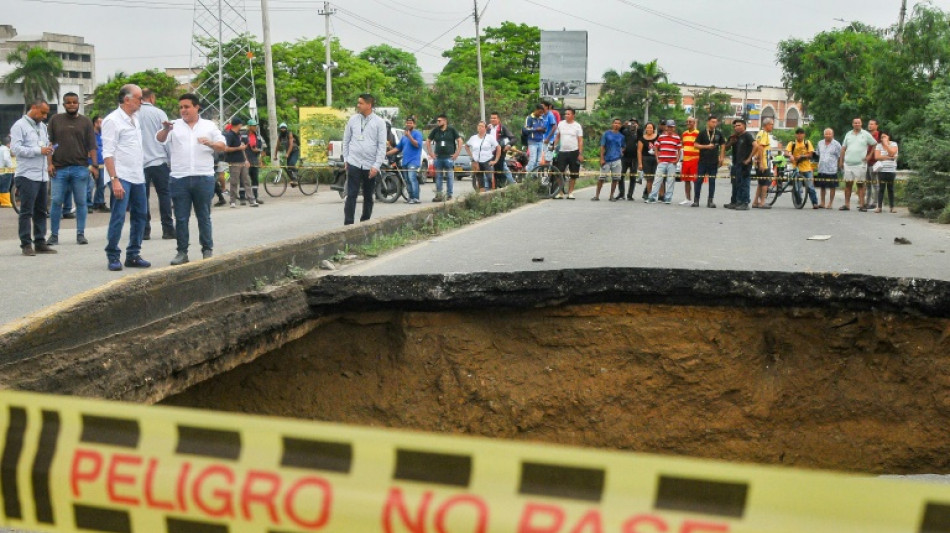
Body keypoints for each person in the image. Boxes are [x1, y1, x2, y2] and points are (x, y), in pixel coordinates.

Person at [156, 93, 226, 265]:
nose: (183, 110)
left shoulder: (209, 126)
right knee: (180, 217)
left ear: (196, 107)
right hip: (180, 178)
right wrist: (166, 129)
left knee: (203, 216)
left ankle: (207, 250)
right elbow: (159, 139)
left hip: (203, 177)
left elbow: (222, 145)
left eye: (187, 107)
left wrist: (209, 143)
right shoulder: (173, 126)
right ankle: (182, 252)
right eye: (181, 107)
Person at [102, 84, 150, 271]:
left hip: (138, 175)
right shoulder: (112, 121)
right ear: (127, 99)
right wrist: (114, 179)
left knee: (140, 216)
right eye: (139, 98)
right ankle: (113, 255)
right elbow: (108, 152)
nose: (141, 101)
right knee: (119, 216)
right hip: (121, 176)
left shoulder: (135, 119)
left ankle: (133, 254)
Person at [47, 92, 97, 246]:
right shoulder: (55, 120)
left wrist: (95, 166)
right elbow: (49, 143)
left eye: (74, 102)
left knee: (81, 202)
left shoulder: (86, 122)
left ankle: (80, 234)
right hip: (59, 168)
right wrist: (49, 163)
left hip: (80, 168)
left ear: (78, 104)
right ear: (63, 105)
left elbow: (92, 146)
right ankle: (54, 235)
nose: (72, 105)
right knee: (56, 202)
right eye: (68, 102)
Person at [11, 99, 57, 256]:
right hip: (27, 174)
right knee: (26, 211)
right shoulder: (19, 126)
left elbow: (44, 146)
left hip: (42, 175)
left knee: (41, 211)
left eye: (46, 113)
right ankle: (26, 244)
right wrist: (39, 150)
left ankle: (40, 241)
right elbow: (16, 149)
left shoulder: (43, 127)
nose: (44, 116)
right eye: (42, 112)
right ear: (33, 108)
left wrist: (49, 150)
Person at [342, 93, 386, 224]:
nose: (358, 105)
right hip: (354, 162)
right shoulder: (353, 120)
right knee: (351, 194)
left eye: (360, 103)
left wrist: (376, 165)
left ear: (369, 105)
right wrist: (346, 159)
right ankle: (348, 224)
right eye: (358, 102)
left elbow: (382, 146)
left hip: (370, 165)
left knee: (368, 196)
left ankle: (365, 222)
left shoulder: (379, 122)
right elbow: (346, 140)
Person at [839, 117, 878, 211]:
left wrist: (869, 156)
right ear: (852, 124)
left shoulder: (865, 134)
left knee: (861, 185)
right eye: (855, 123)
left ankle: (862, 205)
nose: (857, 124)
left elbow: (874, 144)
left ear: (861, 124)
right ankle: (847, 205)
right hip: (848, 163)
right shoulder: (848, 134)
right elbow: (843, 148)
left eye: (858, 123)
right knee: (848, 185)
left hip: (860, 164)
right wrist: (841, 161)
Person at [425, 113, 462, 202]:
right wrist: (431, 153)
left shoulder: (451, 130)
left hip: (449, 157)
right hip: (438, 157)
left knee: (449, 176)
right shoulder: (435, 130)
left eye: (439, 121)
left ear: (445, 121)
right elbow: (428, 140)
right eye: (437, 121)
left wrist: (457, 153)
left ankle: (449, 194)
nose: (438, 122)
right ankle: (439, 195)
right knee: (438, 177)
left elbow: (460, 140)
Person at [387, 116, 423, 203]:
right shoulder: (404, 137)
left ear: (414, 124)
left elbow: (417, 145)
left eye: (410, 123)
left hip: (413, 161)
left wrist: (409, 136)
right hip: (405, 161)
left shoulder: (417, 134)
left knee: (412, 178)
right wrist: (386, 153)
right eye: (407, 123)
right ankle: (410, 198)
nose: (408, 124)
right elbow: (398, 148)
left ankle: (415, 198)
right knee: (406, 180)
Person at [724, 118, 758, 211]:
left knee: (744, 183)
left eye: (739, 125)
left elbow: (756, 146)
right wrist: (731, 142)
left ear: (744, 126)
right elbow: (725, 148)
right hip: (736, 163)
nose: (736, 127)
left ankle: (745, 202)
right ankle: (735, 201)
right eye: (735, 126)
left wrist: (749, 158)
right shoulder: (734, 137)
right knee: (735, 183)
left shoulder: (747, 135)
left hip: (745, 164)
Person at [223, 117, 256, 208]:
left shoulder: (239, 135)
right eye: (241, 124)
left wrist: (246, 160)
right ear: (238, 125)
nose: (241, 126)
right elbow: (226, 148)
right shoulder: (229, 135)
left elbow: (242, 149)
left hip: (242, 161)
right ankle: (232, 201)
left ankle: (251, 200)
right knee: (234, 182)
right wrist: (239, 148)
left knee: (247, 181)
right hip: (234, 162)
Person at [647, 120, 682, 204]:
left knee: (670, 181)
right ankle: (652, 197)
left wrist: (677, 159)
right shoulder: (661, 137)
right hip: (662, 161)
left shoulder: (677, 137)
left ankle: (668, 198)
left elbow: (679, 150)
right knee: (657, 180)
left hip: (672, 162)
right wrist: (657, 158)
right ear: (666, 127)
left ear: (674, 128)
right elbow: (655, 147)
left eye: (672, 127)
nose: (670, 128)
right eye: (669, 126)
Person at [692, 115, 724, 208]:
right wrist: (706, 146)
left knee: (712, 181)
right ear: (708, 122)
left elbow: (722, 145)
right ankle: (696, 200)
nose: (714, 124)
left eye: (716, 122)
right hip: (703, 161)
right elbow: (696, 145)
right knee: (699, 181)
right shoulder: (702, 133)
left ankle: (710, 201)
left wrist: (721, 157)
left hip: (714, 161)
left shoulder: (718, 133)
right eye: (712, 122)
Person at [552, 107, 584, 199]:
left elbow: (580, 140)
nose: (566, 115)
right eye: (565, 114)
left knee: (573, 173)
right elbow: (558, 136)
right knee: (559, 172)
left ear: (573, 115)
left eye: (568, 114)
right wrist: (554, 146)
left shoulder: (577, 126)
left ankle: (570, 192)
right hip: (562, 151)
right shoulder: (561, 124)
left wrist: (580, 153)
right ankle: (560, 192)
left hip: (574, 151)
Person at [785, 128, 819, 209]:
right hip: (796, 168)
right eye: (798, 134)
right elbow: (786, 152)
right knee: (798, 187)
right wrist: (790, 155)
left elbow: (810, 155)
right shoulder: (792, 143)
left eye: (801, 133)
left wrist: (802, 156)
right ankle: (799, 202)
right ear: (795, 135)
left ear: (804, 135)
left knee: (810, 186)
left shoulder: (807, 143)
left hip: (807, 168)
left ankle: (815, 203)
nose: (799, 135)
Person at [465, 121, 501, 193]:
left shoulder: (490, 137)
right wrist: (471, 156)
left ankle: (492, 193)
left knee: (490, 178)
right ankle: (481, 194)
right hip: (477, 161)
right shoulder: (473, 138)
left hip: (487, 160)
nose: (480, 128)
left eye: (482, 126)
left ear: (485, 128)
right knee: (479, 179)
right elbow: (466, 146)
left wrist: (496, 160)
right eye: (479, 126)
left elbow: (498, 147)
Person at [593, 118, 624, 201]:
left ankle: (611, 196)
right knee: (601, 178)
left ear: (620, 125)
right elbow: (602, 146)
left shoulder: (621, 136)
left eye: (618, 123)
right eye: (615, 123)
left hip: (617, 159)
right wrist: (602, 158)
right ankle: (597, 195)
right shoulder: (606, 134)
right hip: (606, 159)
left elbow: (623, 146)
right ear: (612, 124)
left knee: (615, 179)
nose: (617, 125)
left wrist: (621, 151)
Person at [815, 128, 842, 209]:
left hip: (832, 170)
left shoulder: (836, 144)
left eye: (829, 134)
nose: (828, 135)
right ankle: (822, 202)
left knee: (832, 187)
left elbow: (840, 156)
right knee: (822, 186)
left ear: (832, 135)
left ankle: (830, 203)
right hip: (822, 168)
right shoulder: (820, 143)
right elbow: (818, 153)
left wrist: (839, 165)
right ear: (824, 135)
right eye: (826, 134)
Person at [873, 132, 898, 214]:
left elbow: (892, 153)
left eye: (885, 136)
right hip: (881, 170)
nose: (883, 138)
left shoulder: (894, 144)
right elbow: (877, 157)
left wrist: (886, 145)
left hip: (891, 170)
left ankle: (892, 207)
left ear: (888, 137)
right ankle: (879, 207)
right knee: (881, 188)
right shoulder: (878, 145)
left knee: (890, 188)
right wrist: (889, 158)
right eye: (882, 137)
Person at [751, 118, 774, 209]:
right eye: (771, 124)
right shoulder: (764, 134)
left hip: (759, 162)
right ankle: (762, 202)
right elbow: (760, 148)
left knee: (760, 183)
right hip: (764, 163)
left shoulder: (760, 133)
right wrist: (761, 163)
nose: (772, 126)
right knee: (765, 183)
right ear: (767, 125)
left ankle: (755, 201)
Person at [488, 112, 516, 186]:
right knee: (490, 171)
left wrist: (509, 145)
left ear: (498, 119)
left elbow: (513, 138)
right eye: (491, 118)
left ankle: (505, 186)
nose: (493, 119)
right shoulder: (488, 128)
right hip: (489, 153)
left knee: (500, 170)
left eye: (494, 118)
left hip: (500, 153)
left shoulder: (502, 128)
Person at [89, 115, 110, 212]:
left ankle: (99, 202)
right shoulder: (90, 135)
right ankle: (88, 204)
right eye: (100, 122)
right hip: (91, 163)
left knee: (102, 184)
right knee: (89, 185)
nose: (102, 124)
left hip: (102, 163)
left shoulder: (103, 134)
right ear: (95, 123)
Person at [615, 118, 639, 200]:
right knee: (621, 176)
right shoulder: (625, 131)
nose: (632, 124)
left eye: (634, 123)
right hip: (625, 157)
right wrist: (623, 126)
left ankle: (630, 195)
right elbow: (619, 131)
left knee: (633, 177)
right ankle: (621, 193)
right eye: (631, 123)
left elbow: (643, 136)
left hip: (634, 158)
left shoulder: (638, 133)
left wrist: (638, 128)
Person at [242, 118, 265, 204]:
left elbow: (262, 149)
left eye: (256, 125)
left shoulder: (258, 136)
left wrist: (258, 150)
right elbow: (241, 147)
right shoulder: (243, 135)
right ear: (249, 126)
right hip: (246, 160)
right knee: (244, 179)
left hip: (254, 160)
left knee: (255, 180)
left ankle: (255, 197)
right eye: (254, 126)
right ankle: (242, 198)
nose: (255, 127)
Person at [679, 117, 700, 205]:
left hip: (695, 159)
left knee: (695, 180)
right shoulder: (684, 134)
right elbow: (683, 146)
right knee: (686, 179)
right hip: (686, 159)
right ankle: (688, 198)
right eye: (687, 121)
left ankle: (695, 199)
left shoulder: (698, 133)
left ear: (694, 123)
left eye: (690, 122)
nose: (688, 123)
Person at [521, 104, 546, 173]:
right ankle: (525, 173)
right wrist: (536, 129)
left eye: (542, 113)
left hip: (540, 141)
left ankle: (534, 177)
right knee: (532, 160)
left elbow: (544, 128)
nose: (541, 114)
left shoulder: (542, 119)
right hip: (532, 141)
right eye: (540, 112)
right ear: (536, 110)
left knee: (538, 161)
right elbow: (525, 129)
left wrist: (543, 130)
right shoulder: (529, 118)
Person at [637, 122, 658, 201]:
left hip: (656, 159)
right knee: (649, 179)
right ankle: (649, 196)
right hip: (646, 159)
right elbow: (639, 151)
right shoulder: (642, 138)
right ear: (645, 129)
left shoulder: (657, 137)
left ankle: (660, 196)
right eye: (648, 127)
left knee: (657, 178)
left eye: (651, 127)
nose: (649, 129)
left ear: (653, 129)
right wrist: (640, 163)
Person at [864, 119, 881, 209]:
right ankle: (867, 202)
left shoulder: (879, 136)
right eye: (869, 124)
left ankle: (875, 202)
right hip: (866, 162)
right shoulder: (866, 135)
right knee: (867, 183)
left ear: (876, 126)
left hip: (874, 162)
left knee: (875, 183)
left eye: (872, 124)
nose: (870, 125)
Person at [0, 135, 13, 208]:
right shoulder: (6, 150)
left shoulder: (0, 148)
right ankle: (5, 203)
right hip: (5, 171)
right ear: (8, 143)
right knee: (5, 187)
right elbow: (6, 159)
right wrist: (10, 166)